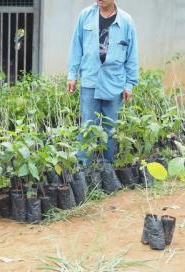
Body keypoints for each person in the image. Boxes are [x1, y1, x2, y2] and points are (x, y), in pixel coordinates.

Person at [67, 0, 138, 166]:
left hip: (114, 83)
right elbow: (76, 46)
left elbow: (132, 55)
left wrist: (129, 84)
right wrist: (72, 74)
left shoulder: (126, 21)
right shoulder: (85, 16)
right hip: (90, 81)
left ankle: (107, 168)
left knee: (110, 129)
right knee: (87, 127)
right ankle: (83, 168)